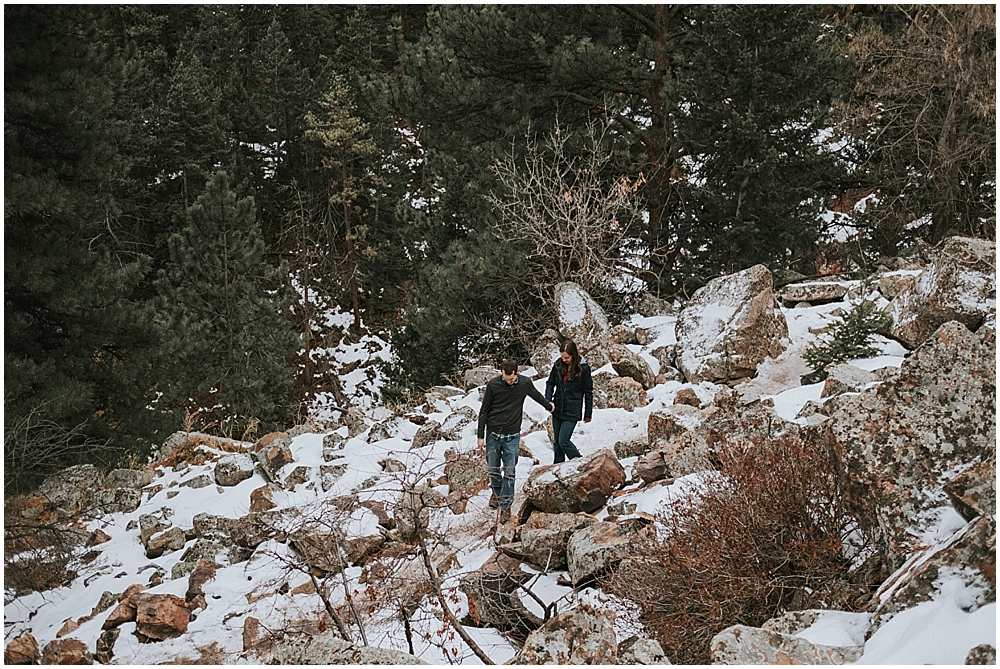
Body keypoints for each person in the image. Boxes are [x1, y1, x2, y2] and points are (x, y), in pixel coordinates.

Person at [477, 358, 554, 523]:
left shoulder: (524, 383)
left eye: (511, 379)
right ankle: (496, 492)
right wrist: (480, 436)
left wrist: (549, 406)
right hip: (493, 434)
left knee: (510, 472)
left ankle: (506, 506)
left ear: (517, 373)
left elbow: (536, 396)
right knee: (493, 468)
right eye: (505, 379)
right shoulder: (493, 385)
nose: (509, 382)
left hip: (512, 435)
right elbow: (484, 410)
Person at [544, 340, 593, 464]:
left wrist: (588, 413)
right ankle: (558, 466)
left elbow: (588, 392)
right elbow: (550, 383)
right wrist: (548, 401)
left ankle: (580, 462)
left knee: (564, 441)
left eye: (567, 357)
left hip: (573, 409)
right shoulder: (558, 365)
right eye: (562, 357)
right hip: (557, 408)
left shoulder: (584, 369)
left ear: (573, 355)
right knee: (557, 443)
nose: (564, 359)